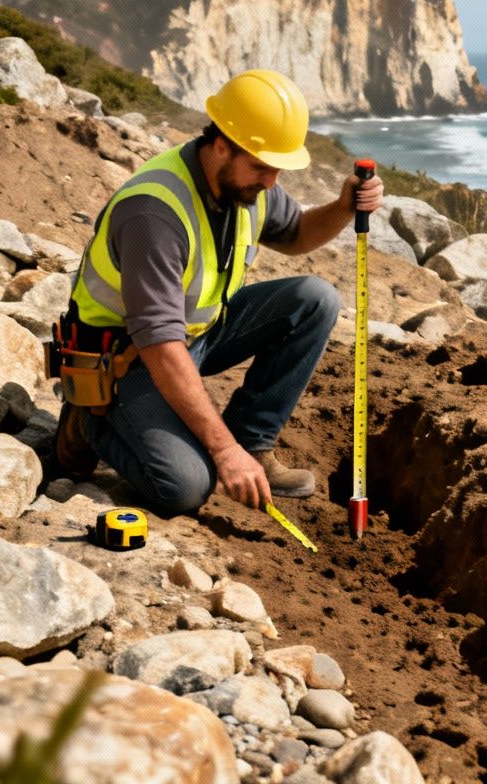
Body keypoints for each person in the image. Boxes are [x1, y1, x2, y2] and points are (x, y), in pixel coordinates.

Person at [52, 69, 382, 515]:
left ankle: (253, 443)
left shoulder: (247, 185)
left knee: (315, 300)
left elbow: (298, 234)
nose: (270, 182)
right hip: (126, 359)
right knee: (186, 487)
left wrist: (343, 208)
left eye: (277, 168)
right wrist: (221, 452)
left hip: (197, 336)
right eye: (261, 166)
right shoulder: (155, 213)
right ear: (221, 143)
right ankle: (89, 420)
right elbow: (161, 347)